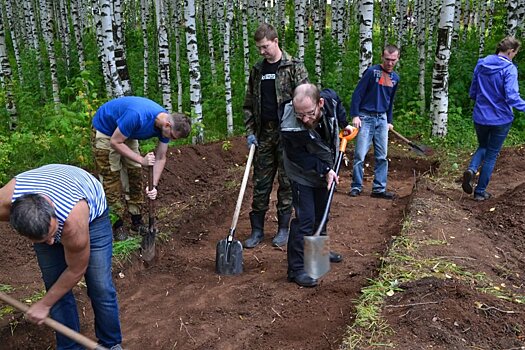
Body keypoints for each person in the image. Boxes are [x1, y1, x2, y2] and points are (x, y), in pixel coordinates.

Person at [0, 164, 122, 350]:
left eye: (52, 234)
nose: (51, 243)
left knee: (100, 286)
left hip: (90, 209)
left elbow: (76, 269)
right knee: (55, 286)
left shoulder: (73, 219)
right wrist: (49, 300)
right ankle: (70, 348)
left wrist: (44, 304)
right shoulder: (4, 203)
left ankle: (111, 343)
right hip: (51, 198)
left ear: (52, 209)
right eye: (43, 239)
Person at [280, 83, 354, 287]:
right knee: (305, 220)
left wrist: (344, 123)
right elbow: (298, 156)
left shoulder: (328, 99)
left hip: (324, 168)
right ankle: (296, 270)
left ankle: (318, 255)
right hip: (301, 172)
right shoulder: (290, 126)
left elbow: (337, 100)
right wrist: (325, 170)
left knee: (322, 213)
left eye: (310, 113)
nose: (305, 119)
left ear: (320, 103)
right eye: (300, 114)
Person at [243, 23, 309, 249]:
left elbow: (306, 100)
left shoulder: (294, 67)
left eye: (265, 47)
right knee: (261, 182)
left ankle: (283, 228)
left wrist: (302, 134)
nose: (262, 51)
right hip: (264, 134)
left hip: (288, 134)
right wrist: (250, 133)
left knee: (287, 182)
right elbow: (249, 105)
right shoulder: (258, 70)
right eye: (259, 48)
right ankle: (257, 230)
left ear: (276, 41)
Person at [92, 96, 191, 241]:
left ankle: (136, 222)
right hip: (106, 130)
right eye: (172, 137)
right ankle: (117, 224)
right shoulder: (137, 116)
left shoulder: (164, 127)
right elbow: (115, 141)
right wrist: (141, 159)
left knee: (135, 174)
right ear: (168, 125)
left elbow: (161, 157)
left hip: (128, 132)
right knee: (110, 177)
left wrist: (153, 186)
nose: (171, 140)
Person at [462, 36, 525, 201]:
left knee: (483, 145)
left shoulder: (481, 64)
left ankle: (471, 169)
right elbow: (512, 97)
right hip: (501, 119)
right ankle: (480, 192)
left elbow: (473, 91)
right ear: (510, 51)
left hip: (480, 116)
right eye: (515, 53)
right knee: (491, 154)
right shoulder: (509, 69)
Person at [348, 44, 400, 199]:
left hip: (382, 118)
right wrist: (355, 115)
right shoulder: (371, 73)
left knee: (382, 156)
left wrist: (389, 120)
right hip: (366, 117)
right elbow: (358, 94)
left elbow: (390, 102)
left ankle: (379, 188)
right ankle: (356, 186)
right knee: (360, 154)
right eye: (387, 59)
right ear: (382, 57)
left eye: (393, 60)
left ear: (397, 59)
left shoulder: (395, 78)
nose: (390, 63)